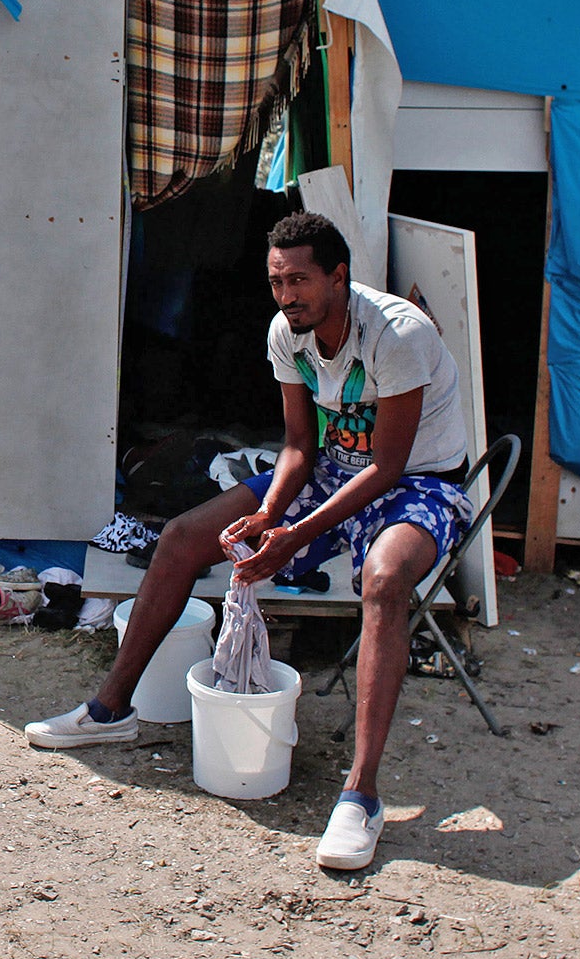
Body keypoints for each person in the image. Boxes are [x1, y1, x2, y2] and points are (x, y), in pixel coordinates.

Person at [25, 210, 472, 872]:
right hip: (328, 472)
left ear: (338, 276)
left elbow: (387, 466)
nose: (286, 295)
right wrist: (270, 513)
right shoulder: (285, 334)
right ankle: (110, 707)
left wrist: (294, 535)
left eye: (299, 281)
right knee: (180, 538)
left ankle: (360, 796)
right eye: (276, 282)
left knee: (382, 580)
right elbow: (298, 445)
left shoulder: (396, 334)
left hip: (418, 483)